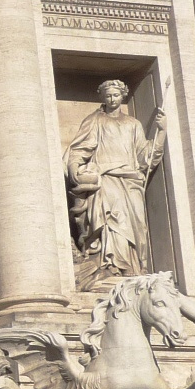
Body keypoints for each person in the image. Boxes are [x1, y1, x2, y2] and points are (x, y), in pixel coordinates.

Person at [64, 79, 166, 280]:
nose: (112, 99)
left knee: (137, 224)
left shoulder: (133, 124)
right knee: (112, 220)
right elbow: (81, 148)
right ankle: (112, 265)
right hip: (107, 178)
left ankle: (134, 266)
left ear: (123, 96)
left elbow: (146, 156)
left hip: (131, 181)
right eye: (108, 95)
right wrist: (74, 166)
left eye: (116, 95)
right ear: (102, 97)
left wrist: (161, 131)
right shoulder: (95, 120)